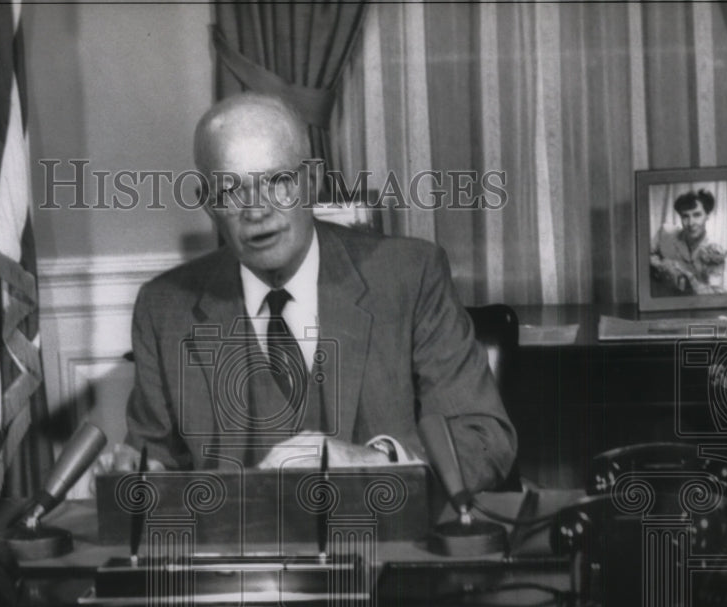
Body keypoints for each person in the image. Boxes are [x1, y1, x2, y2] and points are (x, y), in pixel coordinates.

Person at [99, 92, 516, 494]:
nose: (257, 210)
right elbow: (155, 463)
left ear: (312, 181)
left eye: (278, 182)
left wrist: (372, 461)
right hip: (236, 543)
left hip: (385, 536)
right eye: (231, 190)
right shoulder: (164, 309)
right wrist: (140, 478)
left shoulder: (410, 275)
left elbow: (485, 440)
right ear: (208, 204)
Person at [649, 189, 727, 295]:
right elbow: (645, 257)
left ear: (707, 215)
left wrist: (688, 278)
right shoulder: (665, 233)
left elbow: (717, 293)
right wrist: (662, 266)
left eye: (697, 215)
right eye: (685, 216)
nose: (691, 223)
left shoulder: (715, 251)